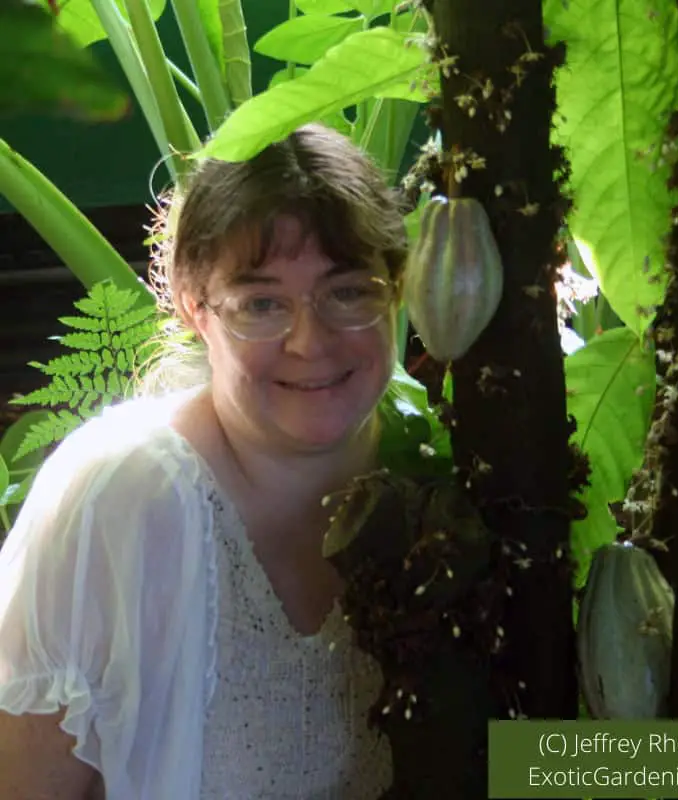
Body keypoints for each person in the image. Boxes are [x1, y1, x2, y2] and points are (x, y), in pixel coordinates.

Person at [0, 122, 409, 799]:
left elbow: (542, 760)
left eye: (348, 292)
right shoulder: (121, 500)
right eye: (262, 304)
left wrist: (608, 765)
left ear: (397, 287)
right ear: (196, 310)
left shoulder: (448, 477)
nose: (310, 342)